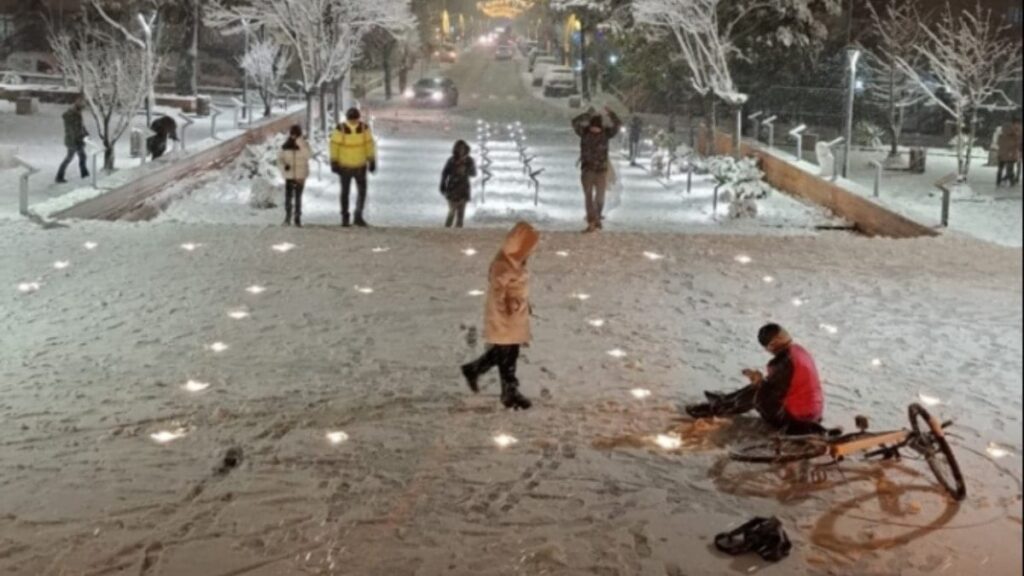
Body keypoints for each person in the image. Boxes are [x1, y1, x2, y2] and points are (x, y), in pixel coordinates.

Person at [685, 323, 825, 435]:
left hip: (796, 420)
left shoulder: (784, 362)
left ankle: (716, 408)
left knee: (758, 393)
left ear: (773, 344)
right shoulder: (797, 350)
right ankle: (724, 401)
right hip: (812, 412)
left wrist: (759, 381)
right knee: (759, 387)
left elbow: (769, 393)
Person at [461, 222, 539, 411]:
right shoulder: (503, 264)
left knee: (509, 352)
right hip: (505, 317)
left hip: (515, 315)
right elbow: (497, 294)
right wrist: (506, 309)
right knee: (506, 354)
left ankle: (477, 371)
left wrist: (524, 305)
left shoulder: (516, 261)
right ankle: (509, 391)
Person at [572, 106, 622, 233]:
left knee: (592, 197)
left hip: (590, 170)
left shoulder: (585, 133)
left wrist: (587, 115)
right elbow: (617, 125)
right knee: (597, 197)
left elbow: (574, 122)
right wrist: (611, 114)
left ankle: (594, 219)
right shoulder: (603, 134)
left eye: (596, 128)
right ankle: (594, 220)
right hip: (597, 170)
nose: (595, 130)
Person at [329, 107, 377, 227]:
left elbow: (369, 144)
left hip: (360, 165)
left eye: (355, 120)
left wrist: (371, 159)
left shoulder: (364, 128)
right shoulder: (341, 129)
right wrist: (334, 161)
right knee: (345, 193)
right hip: (345, 166)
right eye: (352, 120)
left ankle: (358, 215)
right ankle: (345, 217)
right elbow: (334, 146)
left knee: (361, 192)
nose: (353, 122)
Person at [278, 124, 311, 227]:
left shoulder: (304, 145)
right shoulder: (285, 146)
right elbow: (279, 159)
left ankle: (297, 217)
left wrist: (300, 143)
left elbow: (308, 155)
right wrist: (284, 167)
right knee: (288, 197)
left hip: (301, 175)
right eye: (292, 135)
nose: (294, 137)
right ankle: (287, 216)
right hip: (289, 175)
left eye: (296, 135)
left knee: (298, 197)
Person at [439, 140, 477, 228]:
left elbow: (474, 173)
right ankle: (447, 229)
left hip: (463, 188)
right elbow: (445, 173)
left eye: (463, 149)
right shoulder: (451, 160)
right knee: (452, 211)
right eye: (459, 149)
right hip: (452, 188)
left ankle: (458, 232)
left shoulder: (469, 161)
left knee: (461, 213)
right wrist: (442, 185)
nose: (461, 151)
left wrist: (466, 170)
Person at [56, 99, 89, 184]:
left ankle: (84, 174)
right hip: (73, 141)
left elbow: (80, 126)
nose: (82, 110)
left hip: (76, 140)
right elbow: (72, 130)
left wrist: (85, 132)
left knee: (81, 157)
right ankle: (60, 176)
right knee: (70, 158)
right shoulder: (71, 116)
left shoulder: (77, 115)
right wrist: (78, 137)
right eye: (82, 108)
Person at [996, 120, 1021, 187]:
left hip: (1001, 154)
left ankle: (998, 181)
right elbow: (1016, 144)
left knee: (1000, 169)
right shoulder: (1014, 136)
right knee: (1010, 169)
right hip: (1010, 155)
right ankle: (1012, 182)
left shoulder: (1001, 135)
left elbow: (998, 143)